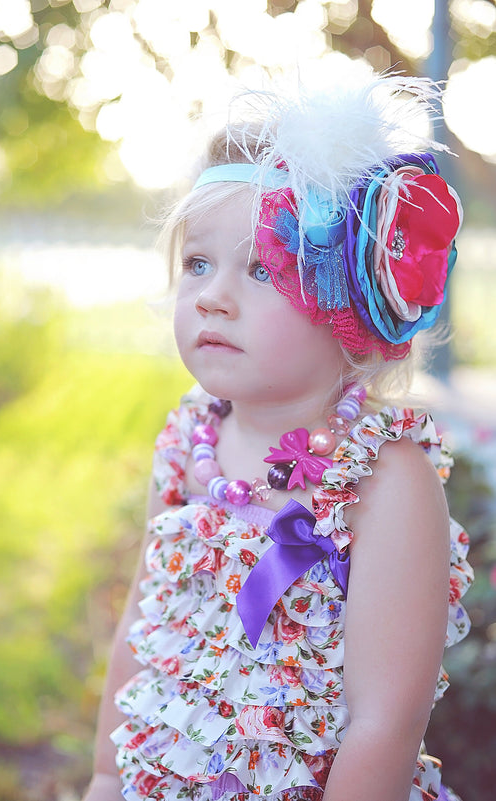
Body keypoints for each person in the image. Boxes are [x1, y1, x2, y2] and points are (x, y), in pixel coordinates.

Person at [83, 70, 473, 801]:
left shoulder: (383, 479)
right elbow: (142, 625)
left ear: (345, 301)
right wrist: (107, 776)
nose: (211, 295)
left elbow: (382, 719)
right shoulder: (187, 441)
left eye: (261, 268)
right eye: (197, 263)